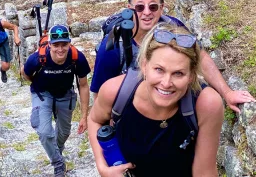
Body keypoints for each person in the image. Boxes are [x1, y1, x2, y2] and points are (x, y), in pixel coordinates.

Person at [90, 0, 255, 113]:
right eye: (139, 7)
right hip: (132, 113)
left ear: (161, 8)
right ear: (129, 9)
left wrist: (227, 93)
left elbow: (200, 57)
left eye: (153, 6)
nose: (147, 12)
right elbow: (99, 94)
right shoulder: (112, 48)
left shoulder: (173, 27)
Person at [88, 23, 224, 177]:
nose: (166, 83)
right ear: (144, 66)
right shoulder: (115, 92)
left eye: (178, 73)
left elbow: (204, 172)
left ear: (191, 76)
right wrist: (102, 166)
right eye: (159, 70)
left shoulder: (206, 104)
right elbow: (94, 120)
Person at [22, 24, 91, 177]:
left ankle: (56, 152)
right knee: (45, 132)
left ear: (69, 43)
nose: (60, 49)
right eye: (56, 45)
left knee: (65, 132)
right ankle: (58, 164)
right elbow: (26, 74)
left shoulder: (77, 58)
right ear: (50, 44)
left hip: (65, 94)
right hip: (42, 93)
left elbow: (84, 85)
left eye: (64, 44)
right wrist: (37, 83)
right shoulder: (38, 58)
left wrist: (84, 116)